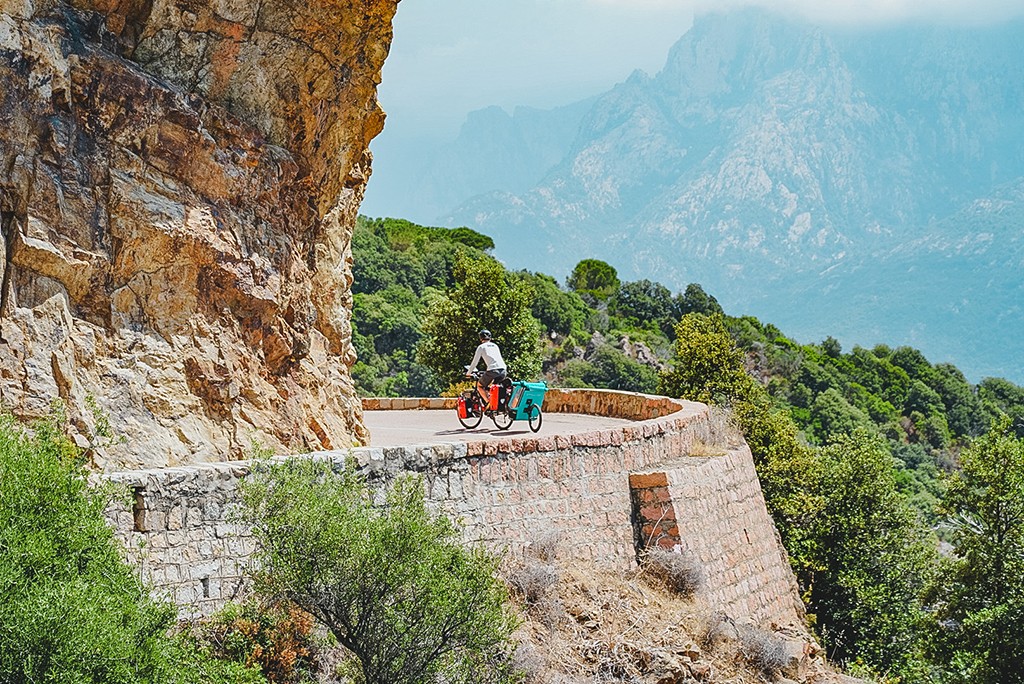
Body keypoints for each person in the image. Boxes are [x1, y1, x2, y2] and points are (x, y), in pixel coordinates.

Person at [465, 329, 507, 409]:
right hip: (503, 370)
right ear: (490, 338)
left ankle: (488, 403)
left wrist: (468, 373)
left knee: (480, 386)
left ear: (481, 338)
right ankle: (498, 406)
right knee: (495, 388)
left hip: (492, 370)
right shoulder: (495, 346)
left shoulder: (481, 347)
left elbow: (474, 363)